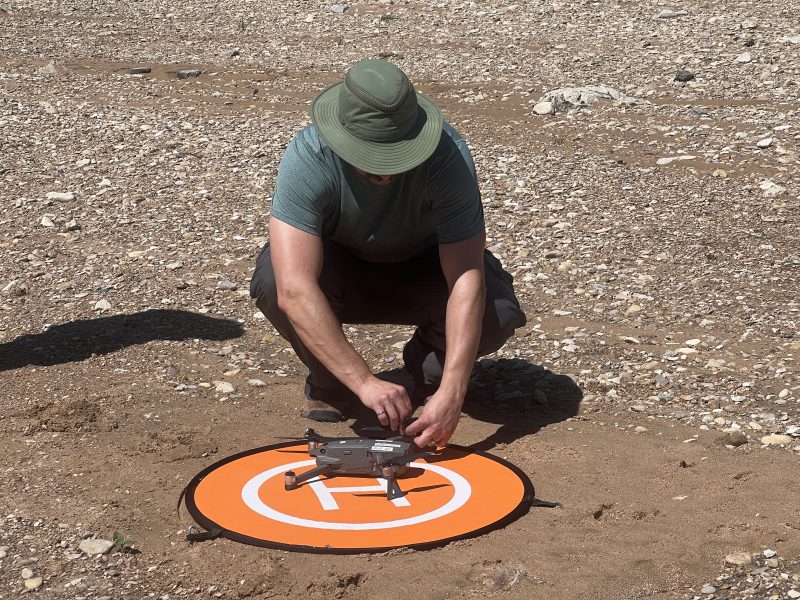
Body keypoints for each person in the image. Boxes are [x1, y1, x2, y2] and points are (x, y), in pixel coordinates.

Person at [250, 59, 526, 448]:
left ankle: (423, 376)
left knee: (497, 310)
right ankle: (332, 382)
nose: (385, 172)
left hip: (424, 268)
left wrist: (453, 391)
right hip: (342, 268)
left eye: (397, 155)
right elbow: (295, 287)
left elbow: (466, 276)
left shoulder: (448, 156)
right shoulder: (309, 155)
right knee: (272, 279)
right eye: (371, 156)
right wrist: (362, 380)